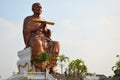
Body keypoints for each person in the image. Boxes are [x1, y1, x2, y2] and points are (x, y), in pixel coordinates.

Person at [23, 2, 60, 73]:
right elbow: (26, 30)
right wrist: (40, 26)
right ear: (33, 9)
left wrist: (47, 31)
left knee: (56, 44)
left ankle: (51, 66)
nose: (39, 9)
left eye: (41, 8)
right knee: (37, 42)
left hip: (44, 38)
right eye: (37, 7)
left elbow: (45, 32)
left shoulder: (43, 20)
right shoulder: (28, 19)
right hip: (34, 37)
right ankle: (41, 65)